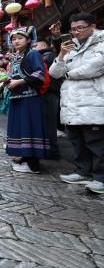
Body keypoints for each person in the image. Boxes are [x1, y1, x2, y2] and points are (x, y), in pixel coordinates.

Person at [49, 12, 104, 193]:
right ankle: (82, 172)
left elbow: (95, 66)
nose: (76, 32)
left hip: (93, 101)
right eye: (73, 29)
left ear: (92, 26)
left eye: (80, 28)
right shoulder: (72, 47)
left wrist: (68, 74)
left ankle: (100, 178)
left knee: (95, 141)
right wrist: (62, 54)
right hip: (72, 102)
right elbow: (54, 73)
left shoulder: (101, 43)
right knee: (77, 140)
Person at [6, 26, 51, 174]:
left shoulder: (32, 54)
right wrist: (4, 83)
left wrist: (20, 82)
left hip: (30, 98)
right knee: (20, 128)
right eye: (14, 39)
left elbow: (40, 73)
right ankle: (24, 157)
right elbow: (13, 76)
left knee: (30, 128)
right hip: (17, 98)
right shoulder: (17, 56)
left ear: (29, 39)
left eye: (20, 38)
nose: (16, 41)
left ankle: (33, 165)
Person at [33, 38, 62, 159]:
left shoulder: (48, 55)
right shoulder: (42, 55)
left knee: (49, 123)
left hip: (50, 92)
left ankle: (52, 151)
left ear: (44, 45)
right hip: (46, 92)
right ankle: (47, 149)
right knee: (46, 123)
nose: (34, 47)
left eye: (36, 45)